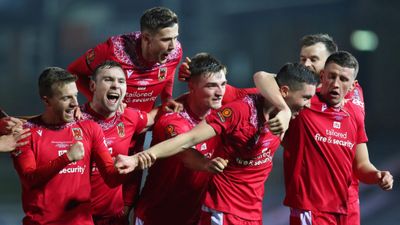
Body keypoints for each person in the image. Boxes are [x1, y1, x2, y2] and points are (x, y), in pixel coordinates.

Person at [116, 62, 318, 225]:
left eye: (223, 84)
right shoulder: (239, 109)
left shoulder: (285, 111)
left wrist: (284, 110)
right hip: (213, 211)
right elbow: (188, 141)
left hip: (251, 213)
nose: (310, 103)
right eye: (306, 98)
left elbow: (266, 77)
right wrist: (137, 159)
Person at [67, 6, 183, 211]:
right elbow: (73, 72)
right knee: (92, 197)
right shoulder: (113, 50)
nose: (173, 45)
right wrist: (94, 103)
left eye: (175, 37)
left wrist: (167, 98)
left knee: (127, 203)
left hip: (137, 131)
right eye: (166, 39)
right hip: (103, 132)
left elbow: (169, 71)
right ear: (146, 38)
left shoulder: (175, 52)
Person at [280, 51, 393, 225]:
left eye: (343, 79)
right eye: (331, 76)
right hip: (311, 210)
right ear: (322, 75)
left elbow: (361, 165)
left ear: (353, 85)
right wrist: (282, 113)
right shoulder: (304, 103)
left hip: (345, 211)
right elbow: (264, 79)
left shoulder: (354, 114)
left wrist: (377, 176)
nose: (335, 84)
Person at [11, 67, 125, 225]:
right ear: (46, 100)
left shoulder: (89, 128)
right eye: (66, 98)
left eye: (76, 96)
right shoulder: (25, 133)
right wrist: (67, 158)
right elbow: (30, 179)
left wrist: (132, 163)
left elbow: (111, 178)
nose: (75, 104)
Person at [134, 53, 229, 225]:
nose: (220, 92)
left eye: (223, 84)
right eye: (211, 86)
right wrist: (207, 164)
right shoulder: (172, 118)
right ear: (192, 86)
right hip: (154, 217)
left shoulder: (224, 113)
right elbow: (187, 156)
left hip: (192, 219)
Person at [79, 60, 158, 225]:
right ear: (92, 86)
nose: (115, 85)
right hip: (76, 218)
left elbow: (155, 117)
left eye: (121, 81)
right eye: (108, 79)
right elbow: (43, 124)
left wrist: (184, 98)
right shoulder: (74, 119)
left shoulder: (130, 117)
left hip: (114, 219)